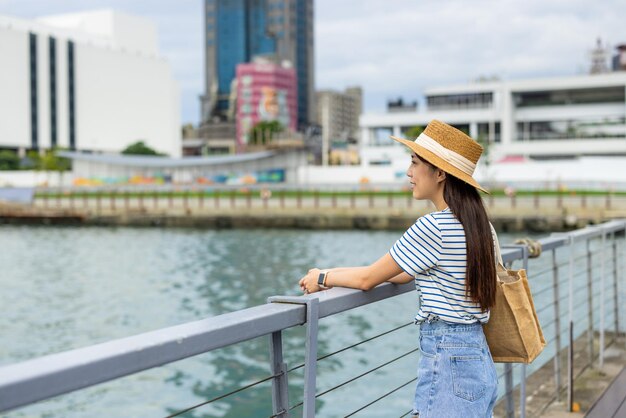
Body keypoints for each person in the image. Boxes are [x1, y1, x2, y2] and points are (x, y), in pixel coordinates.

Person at [298, 120, 499, 418]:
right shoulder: (481, 226)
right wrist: (336, 275)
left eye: (415, 163)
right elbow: (403, 272)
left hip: (447, 356)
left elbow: (369, 279)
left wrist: (322, 276)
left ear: (440, 173)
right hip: (477, 352)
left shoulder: (435, 226)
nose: (409, 172)